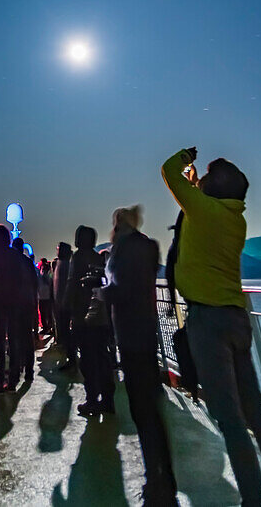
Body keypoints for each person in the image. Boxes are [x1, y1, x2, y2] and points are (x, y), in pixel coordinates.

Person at [162, 148, 261, 507]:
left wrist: (183, 158)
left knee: (232, 422)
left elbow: (168, 171)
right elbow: (197, 207)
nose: (201, 182)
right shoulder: (232, 218)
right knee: (257, 415)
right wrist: (198, 183)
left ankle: (253, 501)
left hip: (208, 323)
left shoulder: (205, 211)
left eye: (206, 179)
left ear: (214, 190)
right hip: (236, 319)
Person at [107, 206, 178, 506]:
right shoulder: (149, 246)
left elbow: (121, 291)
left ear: (118, 224)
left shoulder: (122, 250)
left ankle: (156, 481)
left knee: (141, 408)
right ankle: (165, 476)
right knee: (152, 405)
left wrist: (102, 292)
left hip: (130, 334)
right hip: (148, 331)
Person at [65, 225, 115, 417]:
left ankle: (92, 400)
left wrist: (66, 307)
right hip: (100, 316)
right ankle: (108, 400)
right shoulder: (98, 258)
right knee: (102, 358)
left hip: (82, 317)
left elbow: (72, 285)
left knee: (87, 359)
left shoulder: (77, 258)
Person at [0, 223, 24, 393]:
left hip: (0, 301)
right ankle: (14, 379)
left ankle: (0, 380)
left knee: (1, 343)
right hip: (15, 301)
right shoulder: (15, 255)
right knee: (15, 340)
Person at [12, 237, 38, 383]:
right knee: (27, 338)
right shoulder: (28, 263)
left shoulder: (12, 263)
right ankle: (29, 371)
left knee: (15, 338)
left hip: (15, 305)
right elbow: (34, 284)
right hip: (27, 304)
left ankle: (16, 371)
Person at [53, 241, 75, 370]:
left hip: (64, 305)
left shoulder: (65, 265)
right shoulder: (62, 264)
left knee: (66, 333)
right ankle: (70, 358)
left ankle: (71, 360)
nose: (57, 251)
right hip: (61, 304)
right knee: (65, 333)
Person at [37, 259, 54, 334]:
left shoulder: (47, 277)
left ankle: (48, 327)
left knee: (46, 313)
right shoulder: (48, 277)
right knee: (46, 313)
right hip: (44, 297)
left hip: (45, 297)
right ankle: (47, 327)